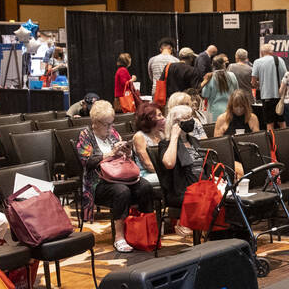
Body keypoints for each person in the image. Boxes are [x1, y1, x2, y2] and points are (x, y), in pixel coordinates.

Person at [77, 101, 153, 253]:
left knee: (145, 187)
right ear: (95, 123)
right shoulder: (86, 135)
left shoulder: (113, 133)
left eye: (111, 123)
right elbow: (87, 162)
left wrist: (126, 151)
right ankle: (119, 237)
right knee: (122, 191)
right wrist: (109, 154)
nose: (110, 128)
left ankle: (144, 231)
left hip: (120, 174)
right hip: (98, 182)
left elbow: (124, 155)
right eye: (106, 125)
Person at [161, 103, 206, 234]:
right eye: (186, 118)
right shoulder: (166, 143)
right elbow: (169, 163)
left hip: (202, 182)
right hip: (182, 188)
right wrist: (174, 136)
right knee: (208, 195)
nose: (190, 121)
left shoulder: (194, 141)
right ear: (175, 123)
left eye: (190, 117)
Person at [251, 43, 287, 131]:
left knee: (269, 123)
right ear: (272, 52)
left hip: (266, 96)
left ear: (261, 52)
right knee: (282, 122)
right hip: (279, 96)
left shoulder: (257, 62)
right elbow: (286, 77)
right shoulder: (280, 60)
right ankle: (286, 141)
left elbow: (253, 82)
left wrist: (261, 84)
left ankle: (271, 143)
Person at [131, 103, 166, 187]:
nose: (163, 118)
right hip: (147, 174)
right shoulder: (139, 136)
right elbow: (148, 165)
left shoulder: (161, 134)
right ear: (150, 118)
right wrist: (167, 173)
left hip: (163, 171)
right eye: (159, 115)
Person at [201, 54, 239, 120]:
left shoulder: (210, 77)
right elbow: (237, 92)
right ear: (224, 64)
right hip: (230, 109)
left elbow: (205, 94)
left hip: (214, 111)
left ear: (212, 65)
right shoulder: (232, 75)